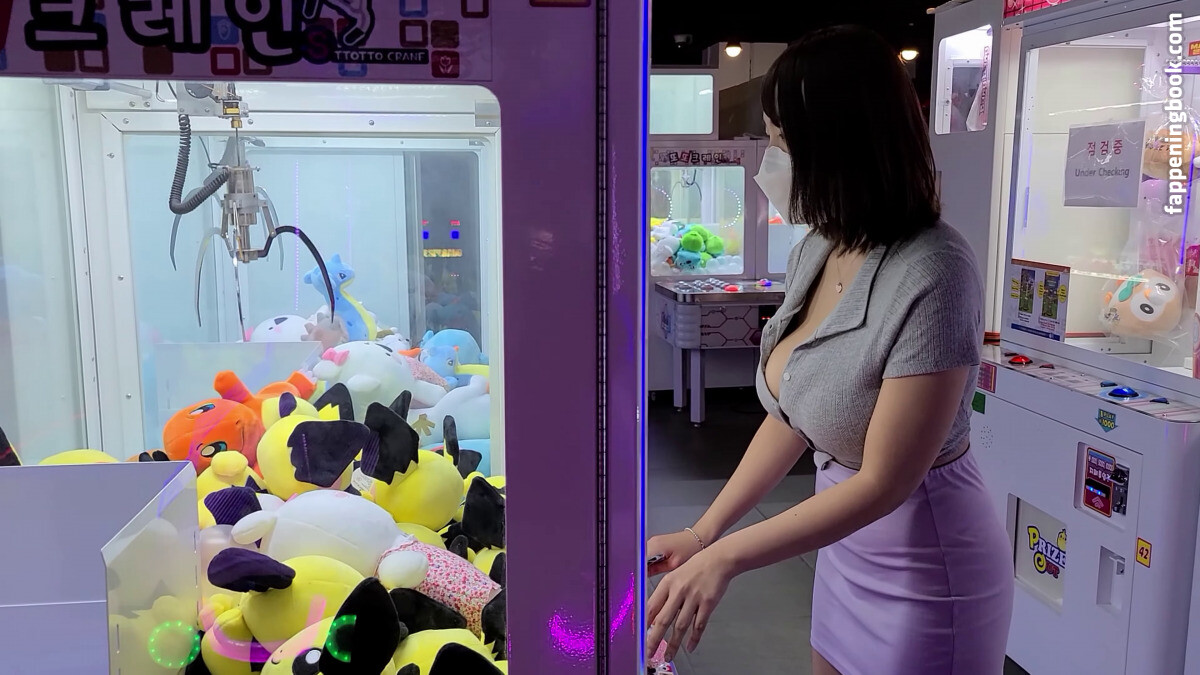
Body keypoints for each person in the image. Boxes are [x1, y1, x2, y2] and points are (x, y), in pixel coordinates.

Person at [645, 25, 1014, 675]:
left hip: (926, 570)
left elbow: (884, 482)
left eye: (781, 142)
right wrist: (704, 533)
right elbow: (791, 413)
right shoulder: (821, 247)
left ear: (838, 147)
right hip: (842, 546)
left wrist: (728, 556)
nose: (769, 161)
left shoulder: (936, 269)